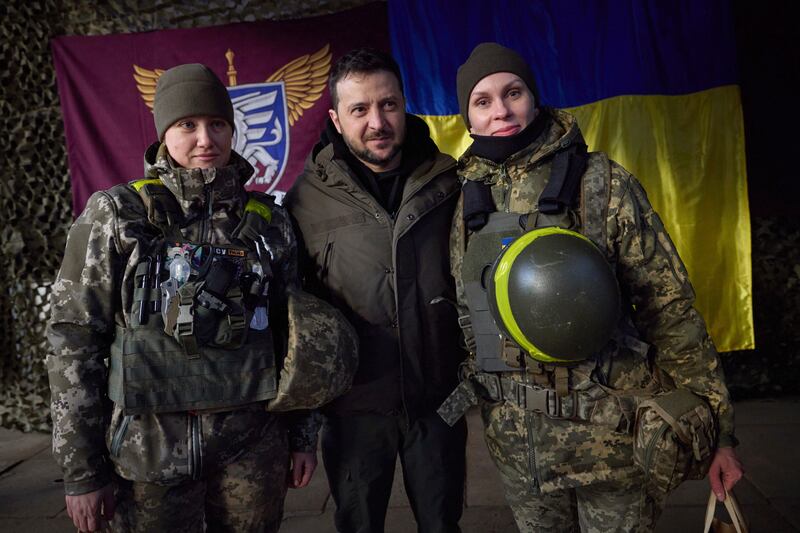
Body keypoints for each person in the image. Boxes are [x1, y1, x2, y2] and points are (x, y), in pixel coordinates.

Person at [438, 42, 744, 532]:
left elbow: (671, 312)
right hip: (522, 454)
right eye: (483, 100)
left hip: (612, 443)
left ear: (534, 98)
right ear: (468, 120)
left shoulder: (601, 183)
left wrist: (720, 432)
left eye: (513, 92)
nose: (501, 110)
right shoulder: (460, 202)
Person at [47, 63, 322, 533]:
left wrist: (302, 436)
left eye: (217, 124)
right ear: (163, 133)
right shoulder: (117, 216)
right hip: (147, 453)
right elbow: (74, 339)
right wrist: (81, 473)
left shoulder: (268, 222)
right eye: (186, 125)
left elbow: (296, 335)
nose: (204, 139)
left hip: (251, 449)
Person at [284, 48, 467, 533]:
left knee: (443, 523)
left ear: (405, 104)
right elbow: (293, 314)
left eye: (388, 105)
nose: (377, 122)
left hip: (437, 400)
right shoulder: (305, 201)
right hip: (353, 407)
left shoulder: (451, 183)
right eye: (359, 110)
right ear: (335, 118)